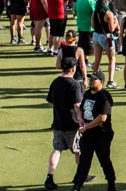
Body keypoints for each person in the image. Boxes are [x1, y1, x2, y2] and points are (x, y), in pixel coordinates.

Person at [70, 70, 116, 191]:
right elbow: (81, 110)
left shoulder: (105, 96)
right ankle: (77, 185)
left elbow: (102, 118)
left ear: (101, 82)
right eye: (90, 79)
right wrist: (80, 118)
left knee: (104, 160)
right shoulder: (87, 94)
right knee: (84, 160)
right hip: (88, 134)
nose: (90, 81)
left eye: (93, 79)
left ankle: (111, 184)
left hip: (102, 134)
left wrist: (85, 127)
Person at [45, 58, 84, 190]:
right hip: (72, 124)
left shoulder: (55, 82)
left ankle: (49, 177)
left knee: (57, 149)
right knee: (79, 150)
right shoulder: (74, 84)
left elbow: (50, 100)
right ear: (73, 69)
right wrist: (81, 120)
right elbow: (77, 105)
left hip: (57, 123)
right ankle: (80, 175)